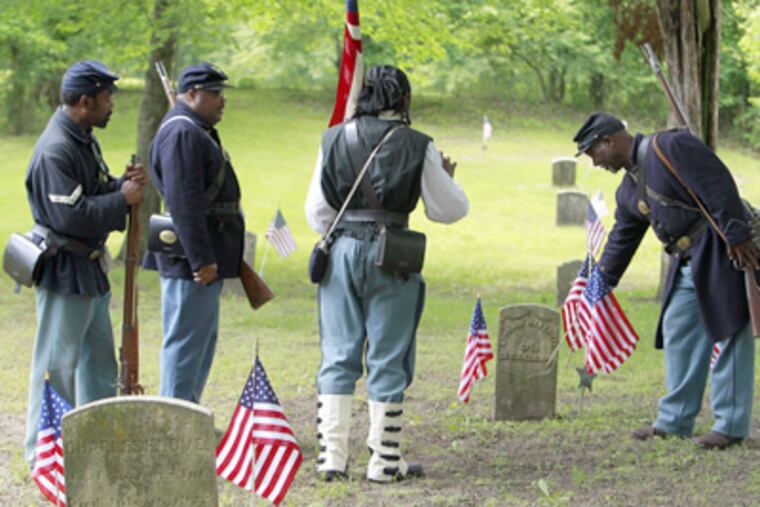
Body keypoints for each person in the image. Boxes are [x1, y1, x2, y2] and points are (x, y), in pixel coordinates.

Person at [305, 65, 469, 482]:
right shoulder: (418, 144)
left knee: (338, 355)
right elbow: (448, 210)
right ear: (403, 99)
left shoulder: (333, 138)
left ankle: (332, 457)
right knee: (388, 355)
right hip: (392, 255)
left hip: (340, 251)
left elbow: (317, 213)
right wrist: (447, 180)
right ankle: (383, 460)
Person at [573, 112, 758, 449]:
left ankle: (730, 426)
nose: (595, 162)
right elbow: (623, 237)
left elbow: (718, 183)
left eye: (593, 153)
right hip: (688, 260)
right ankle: (674, 421)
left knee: (730, 329)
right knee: (677, 328)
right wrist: (602, 280)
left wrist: (737, 233)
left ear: (608, 141)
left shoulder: (671, 146)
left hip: (721, 248)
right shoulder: (629, 189)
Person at [23, 60, 146, 465]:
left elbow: (90, 188)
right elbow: (69, 216)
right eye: (106, 98)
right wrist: (121, 199)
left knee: (98, 365)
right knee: (56, 366)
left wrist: (118, 185)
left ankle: (94, 444)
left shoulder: (81, 137)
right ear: (83, 101)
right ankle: (44, 453)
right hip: (65, 270)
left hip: (88, 271)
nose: (111, 104)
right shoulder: (56, 148)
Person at [144, 62, 244, 403]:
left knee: (198, 344)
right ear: (190, 94)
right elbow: (183, 202)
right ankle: (172, 427)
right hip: (192, 260)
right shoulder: (183, 132)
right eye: (214, 93)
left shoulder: (191, 128)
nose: (221, 100)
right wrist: (202, 259)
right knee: (185, 346)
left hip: (199, 256)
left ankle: (186, 418)